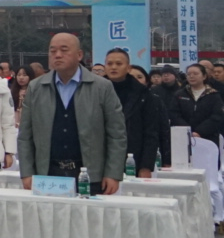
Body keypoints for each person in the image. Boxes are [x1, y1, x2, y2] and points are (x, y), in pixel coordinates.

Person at [15, 32, 126, 194]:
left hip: (90, 175)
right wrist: (27, 172)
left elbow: (117, 134)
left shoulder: (102, 87)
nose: (57, 55)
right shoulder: (36, 87)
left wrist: (113, 173)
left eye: (64, 50)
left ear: (79, 55)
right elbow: (25, 135)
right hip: (48, 174)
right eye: (53, 51)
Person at [104, 49, 165, 177]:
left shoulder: (143, 94)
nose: (113, 67)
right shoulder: (96, 90)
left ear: (128, 68)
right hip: (101, 157)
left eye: (118, 64)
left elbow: (151, 132)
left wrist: (146, 166)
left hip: (132, 157)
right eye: (109, 64)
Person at [175, 64, 223, 143]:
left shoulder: (213, 94)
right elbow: (174, 114)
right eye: (189, 74)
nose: (191, 76)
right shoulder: (180, 94)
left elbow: (217, 116)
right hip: (183, 136)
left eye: (195, 74)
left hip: (208, 138)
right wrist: (187, 130)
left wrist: (199, 132)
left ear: (204, 76)